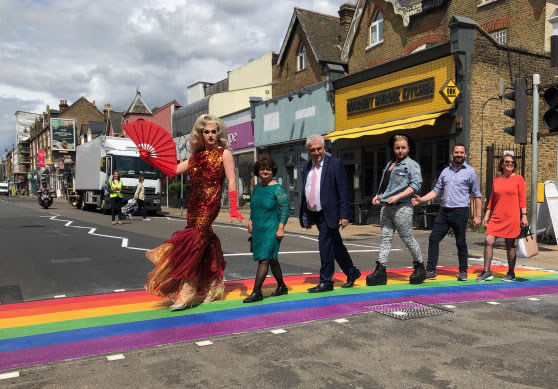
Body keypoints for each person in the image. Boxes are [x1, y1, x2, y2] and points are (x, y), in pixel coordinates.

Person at [145, 114, 243, 311]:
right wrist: (152, 159)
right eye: (206, 132)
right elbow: (174, 169)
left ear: (219, 133)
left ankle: (187, 289)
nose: (210, 135)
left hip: (210, 204)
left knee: (195, 241)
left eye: (213, 131)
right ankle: (214, 284)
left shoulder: (224, 153)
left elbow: (231, 180)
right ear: (200, 134)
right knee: (204, 241)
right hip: (194, 204)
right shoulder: (195, 157)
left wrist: (233, 207)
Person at [299, 134, 361, 293]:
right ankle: (352, 271)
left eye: (319, 148)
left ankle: (326, 281)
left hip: (331, 213)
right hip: (316, 214)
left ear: (324, 148)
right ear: (308, 151)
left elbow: (343, 191)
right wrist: (306, 216)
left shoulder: (335, 164)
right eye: (312, 150)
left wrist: (345, 215)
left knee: (325, 245)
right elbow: (306, 191)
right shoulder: (307, 167)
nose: (316, 152)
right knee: (336, 245)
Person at [413, 144, 482, 281]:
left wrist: (478, 216)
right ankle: (431, 270)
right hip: (444, 212)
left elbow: (477, 195)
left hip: (460, 212)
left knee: (461, 242)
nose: (459, 154)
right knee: (433, 238)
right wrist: (421, 200)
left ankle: (463, 271)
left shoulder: (470, 172)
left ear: (465, 155)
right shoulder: (445, 172)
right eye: (456, 152)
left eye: (461, 152)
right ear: (452, 154)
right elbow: (436, 191)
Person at [366, 134, 425, 286]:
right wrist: (378, 196)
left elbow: (416, 185)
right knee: (385, 238)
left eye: (403, 148)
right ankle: (381, 270)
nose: (400, 151)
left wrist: (398, 197)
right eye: (397, 148)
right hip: (386, 207)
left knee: (407, 238)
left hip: (402, 207)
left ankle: (420, 266)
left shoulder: (412, 165)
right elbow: (385, 185)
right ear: (393, 148)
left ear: (408, 148)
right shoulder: (388, 165)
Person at [244, 154, 289, 303]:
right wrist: (250, 221)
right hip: (258, 229)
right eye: (262, 169)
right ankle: (282, 286)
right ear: (258, 171)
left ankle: (256, 292)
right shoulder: (256, 189)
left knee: (264, 259)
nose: (265, 171)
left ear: (273, 171)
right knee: (272, 259)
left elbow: (284, 210)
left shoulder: (278, 189)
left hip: (272, 229)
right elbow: (254, 208)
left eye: (268, 169)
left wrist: (281, 228)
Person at [477, 153, 527, 282]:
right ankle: (486, 271)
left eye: (512, 162)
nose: (509, 163)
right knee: (488, 240)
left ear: (514, 164)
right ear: (502, 164)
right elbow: (493, 200)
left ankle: (511, 272)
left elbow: (522, 200)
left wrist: (524, 216)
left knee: (509, 245)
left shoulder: (519, 179)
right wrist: (486, 216)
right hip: (497, 217)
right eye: (506, 161)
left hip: (512, 217)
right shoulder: (497, 180)